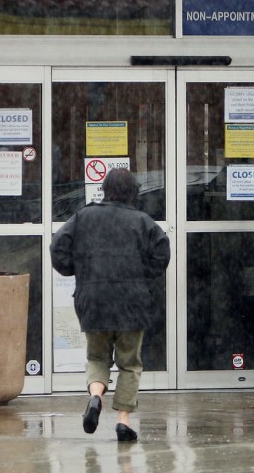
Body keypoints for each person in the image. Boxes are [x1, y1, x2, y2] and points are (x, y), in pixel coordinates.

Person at [50, 167, 170, 442]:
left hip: (93, 301)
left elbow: (58, 247)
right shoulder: (142, 221)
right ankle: (123, 421)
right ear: (133, 193)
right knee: (129, 363)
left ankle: (95, 397)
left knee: (97, 357)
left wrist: (76, 269)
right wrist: (143, 273)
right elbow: (162, 252)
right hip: (131, 302)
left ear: (105, 190)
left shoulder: (84, 217)